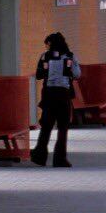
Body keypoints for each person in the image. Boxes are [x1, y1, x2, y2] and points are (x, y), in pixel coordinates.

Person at [32, 31, 78, 166]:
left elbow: (39, 75)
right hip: (63, 94)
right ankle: (60, 159)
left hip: (49, 95)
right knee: (63, 127)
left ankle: (39, 156)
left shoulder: (45, 56)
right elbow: (77, 73)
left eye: (47, 44)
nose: (46, 47)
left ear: (51, 44)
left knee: (46, 126)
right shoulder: (70, 56)